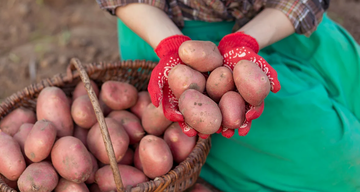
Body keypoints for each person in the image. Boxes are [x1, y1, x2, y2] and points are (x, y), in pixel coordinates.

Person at [96, 0, 360, 191]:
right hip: (163, 27)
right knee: (345, 162)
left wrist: (246, 41)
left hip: (277, 24)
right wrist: (171, 46)